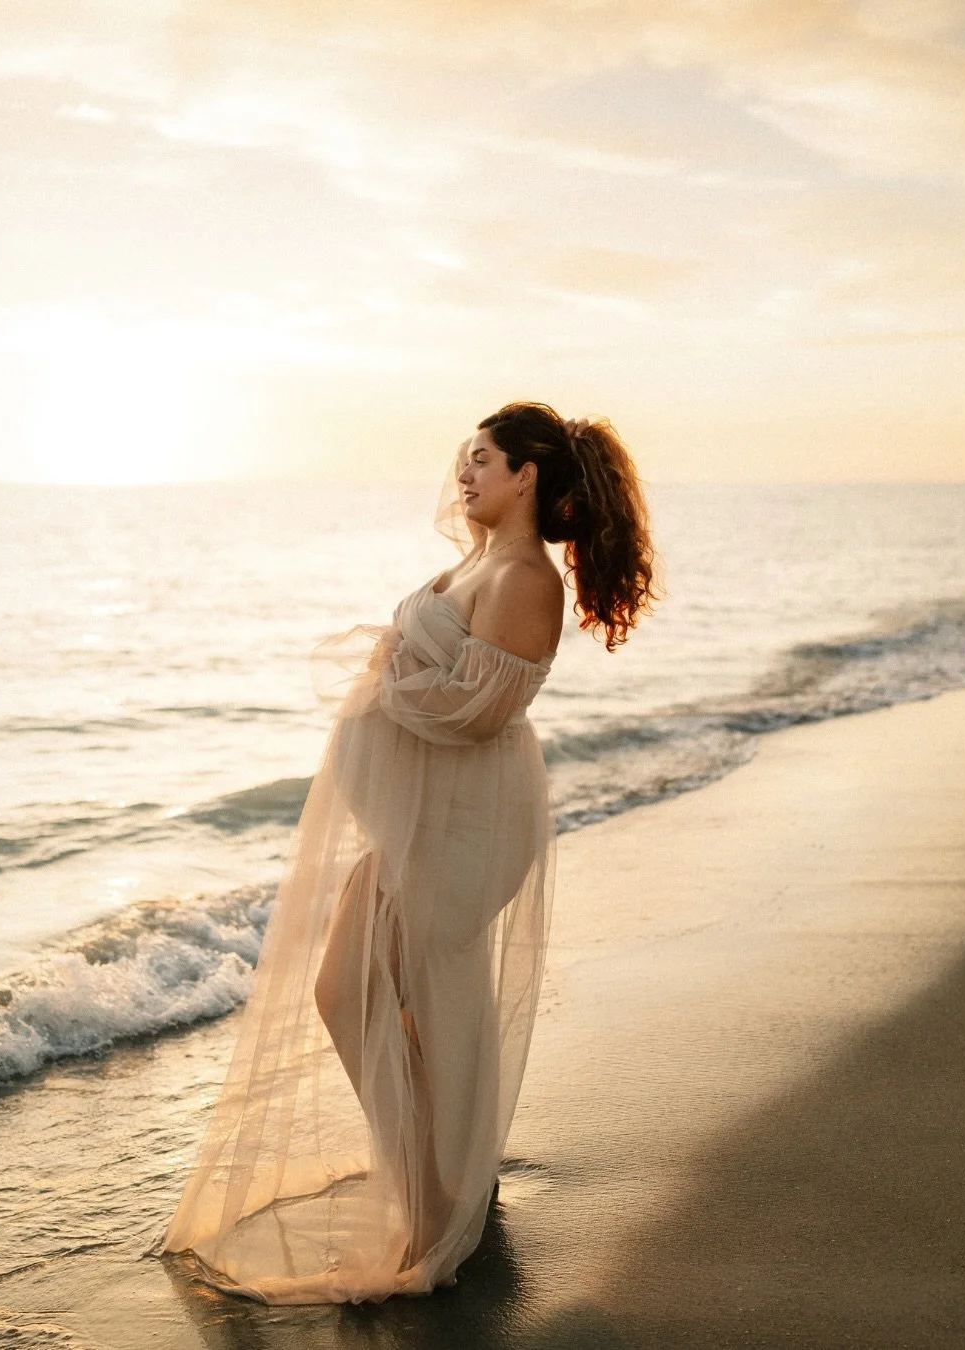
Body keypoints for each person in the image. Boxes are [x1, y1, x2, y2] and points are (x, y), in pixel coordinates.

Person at [152, 401, 660, 1303]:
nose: (464, 473)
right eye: (465, 458)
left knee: (400, 1002)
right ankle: (441, 1179)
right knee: (363, 997)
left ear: (526, 476)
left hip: (466, 827)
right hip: (421, 824)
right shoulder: (476, 562)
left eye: (482, 459)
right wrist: (395, 669)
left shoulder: (525, 579)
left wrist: (390, 676)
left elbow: (479, 713)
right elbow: (444, 678)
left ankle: (436, 1207)